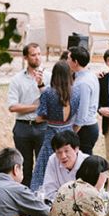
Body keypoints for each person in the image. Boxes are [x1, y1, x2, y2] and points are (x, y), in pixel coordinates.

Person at [30, 58, 80, 191]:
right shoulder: (75, 92)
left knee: (43, 168)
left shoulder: (49, 93)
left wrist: (48, 117)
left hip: (52, 133)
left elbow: (39, 118)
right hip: (68, 129)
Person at [7, 42, 48, 186]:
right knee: (24, 165)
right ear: (26, 57)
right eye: (33, 55)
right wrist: (35, 107)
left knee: (43, 165)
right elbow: (12, 106)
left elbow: (52, 103)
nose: (37, 57)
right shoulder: (17, 80)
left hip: (43, 126)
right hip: (23, 127)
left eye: (39, 54)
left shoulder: (48, 77)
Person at [68, 46, 101, 155]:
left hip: (84, 129)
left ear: (75, 62)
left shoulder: (83, 83)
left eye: (68, 58)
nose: (67, 61)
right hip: (88, 127)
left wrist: (72, 133)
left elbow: (82, 113)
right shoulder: (90, 75)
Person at [41, 131, 85, 199]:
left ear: (76, 149)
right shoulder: (53, 160)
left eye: (66, 151)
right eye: (59, 152)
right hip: (60, 204)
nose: (63, 156)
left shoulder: (87, 162)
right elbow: (49, 191)